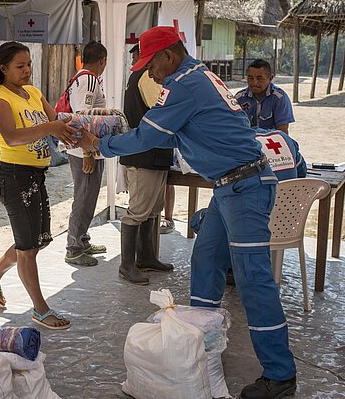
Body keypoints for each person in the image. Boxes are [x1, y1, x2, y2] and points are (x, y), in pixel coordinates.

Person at [78, 26, 297, 399]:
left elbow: (148, 136)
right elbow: (163, 131)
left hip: (244, 188)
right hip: (229, 187)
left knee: (253, 280)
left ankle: (280, 375)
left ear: (169, 55)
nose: (150, 73)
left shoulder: (184, 84)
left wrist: (99, 143)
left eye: (151, 65)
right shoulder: (198, 75)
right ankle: (202, 343)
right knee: (206, 262)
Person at [0, 41, 76, 330]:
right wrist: (50, 128)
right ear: (3, 68)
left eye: (29, 64)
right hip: (15, 177)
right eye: (20, 66)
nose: (27, 70)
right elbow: (11, 137)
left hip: (36, 176)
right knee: (28, 248)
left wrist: (83, 133)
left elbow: (56, 121)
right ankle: (41, 310)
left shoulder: (32, 93)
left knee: (36, 241)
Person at [191, 127, 307, 287]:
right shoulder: (284, 139)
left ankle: (231, 267)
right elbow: (302, 173)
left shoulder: (240, 144)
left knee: (201, 220)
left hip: (253, 224)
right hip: (286, 224)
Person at [118, 43, 174, 285]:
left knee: (152, 209)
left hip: (153, 153)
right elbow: (160, 111)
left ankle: (147, 257)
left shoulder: (139, 76)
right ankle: (127, 265)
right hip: (144, 154)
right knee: (138, 211)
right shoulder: (147, 77)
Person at [63, 41, 109, 267]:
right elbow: (83, 116)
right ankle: (74, 248)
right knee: (84, 197)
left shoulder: (82, 78)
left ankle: (82, 240)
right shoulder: (88, 79)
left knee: (88, 196)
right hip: (84, 149)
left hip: (85, 147)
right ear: (102, 61)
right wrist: (88, 150)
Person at [235, 59, 295, 134]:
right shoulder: (239, 98)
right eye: (250, 78)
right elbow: (233, 126)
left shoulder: (279, 98)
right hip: (246, 142)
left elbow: (282, 132)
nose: (254, 82)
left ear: (270, 78)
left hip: (270, 142)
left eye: (259, 79)